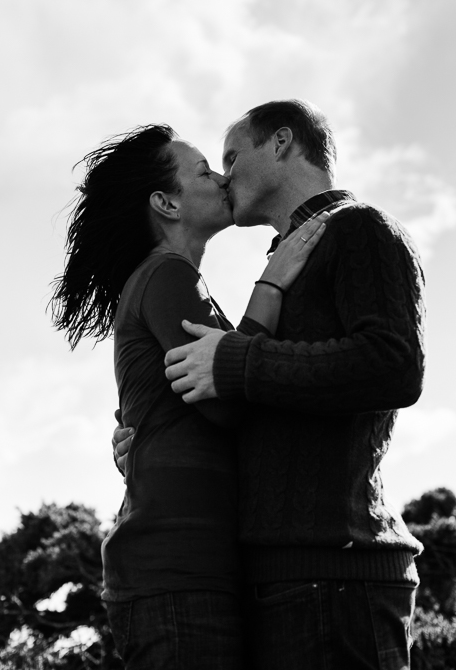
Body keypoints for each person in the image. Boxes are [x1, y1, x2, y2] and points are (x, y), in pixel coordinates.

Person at [150, 99, 426, 670]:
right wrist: (150, 437)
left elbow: (391, 364)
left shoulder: (361, 229)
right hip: (279, 581)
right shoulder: (288, 257)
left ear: (280, 143)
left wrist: (239, 363)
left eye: (231, 156)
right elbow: (254, 407)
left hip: (337, 577)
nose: (224, 176)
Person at [50, 123, 327, 670]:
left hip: (191, 572)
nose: (223, 179)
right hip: (178, 577)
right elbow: (226, 399)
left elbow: (195, 395)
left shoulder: (174, 282)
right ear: (166, 204)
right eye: (203, 171)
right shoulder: (167, 275)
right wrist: (271, 285)